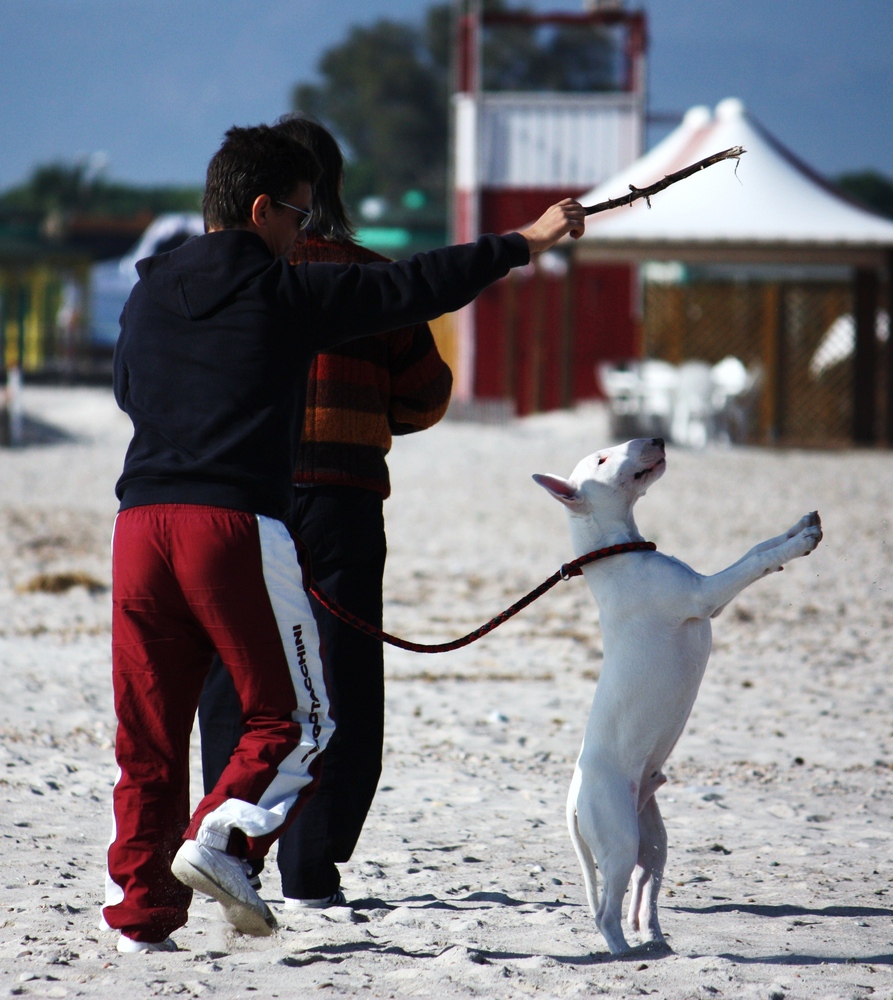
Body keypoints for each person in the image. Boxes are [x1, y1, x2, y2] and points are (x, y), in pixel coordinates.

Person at [104, 121, 585, 954]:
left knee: (148, 734)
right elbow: (417, 288)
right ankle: (227, 842)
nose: (301, 232)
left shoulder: (148, 291)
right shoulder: (280, 292)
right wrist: (525, 241)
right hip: (231, 526)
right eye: (294, 216)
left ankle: (141, 922)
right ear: (259, 210)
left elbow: (128, 391)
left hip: (138, 528)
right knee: (301, 715)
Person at [197, 114, 452, 908]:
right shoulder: (369, 279)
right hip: (340, 499)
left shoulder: (217, 281)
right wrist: (366, 411)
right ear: (329, 187)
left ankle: (224, 842)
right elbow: (428, 397)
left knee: (233, 670)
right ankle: (313, 865)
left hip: (239, 495)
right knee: (340, 678)